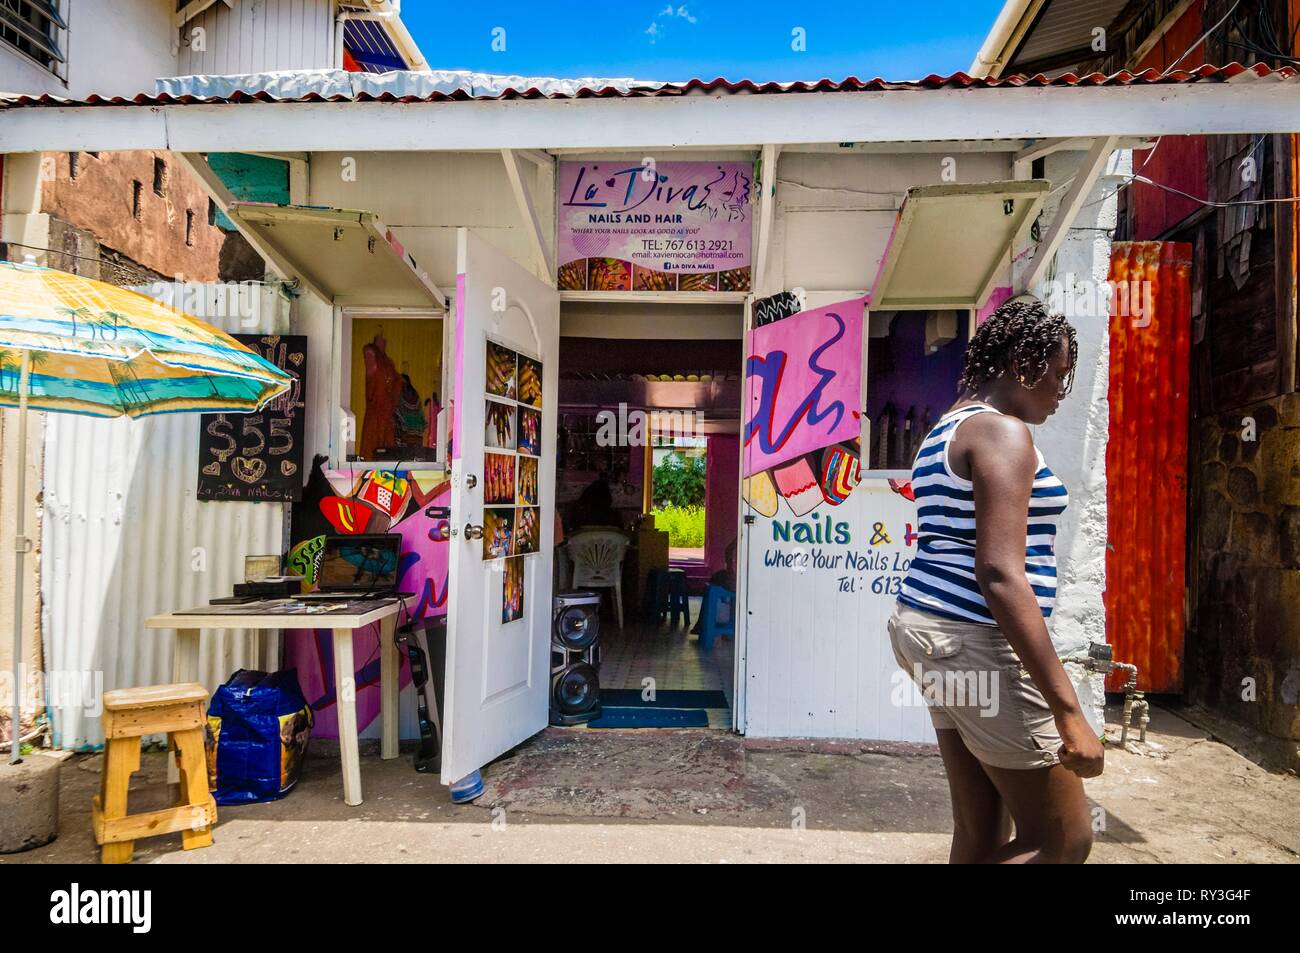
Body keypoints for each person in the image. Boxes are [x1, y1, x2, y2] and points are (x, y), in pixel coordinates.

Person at [890, 296, 1103, 864]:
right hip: (975, 641)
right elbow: (1000, 573)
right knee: (1062, 838)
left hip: (931, 632)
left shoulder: (947, 427)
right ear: (1020, 362)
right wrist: (1068, 711)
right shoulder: (1001, 433)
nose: (1062, 390)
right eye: (1057, 374)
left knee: (981, 831)